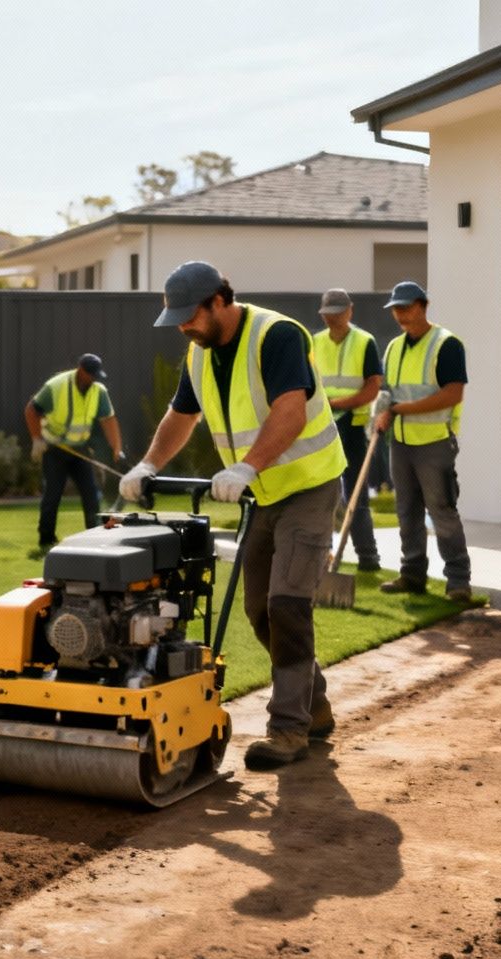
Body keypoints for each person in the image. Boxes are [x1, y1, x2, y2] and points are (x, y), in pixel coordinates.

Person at [120, 262, 347, 769]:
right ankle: (315, 703)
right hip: (261, 493)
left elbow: (290, 408)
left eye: (190, 316)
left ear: (219, 301)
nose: (183, 326)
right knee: (259, 612)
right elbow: (183, 415)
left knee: (287, 604)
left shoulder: (277, 335)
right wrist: (148, 464)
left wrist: (246, 466)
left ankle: (289, 729)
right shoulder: (199, 355)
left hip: (308, 485)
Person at [372, 281, 472, 603]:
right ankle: (412, 575)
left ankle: (458, 581)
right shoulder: (394, 348)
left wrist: (401, 409)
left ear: (423, 306)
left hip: (433, 444)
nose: (400, 314)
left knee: (442, 511)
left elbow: (452, 394)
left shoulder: (446, 344)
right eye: (396, 309)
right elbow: (388, 391)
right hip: (399, 444)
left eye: (406, 307)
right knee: (407, 512)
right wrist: (382, 412)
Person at [310, 288, 384, 572]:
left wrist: (338, 403)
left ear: (350, 311)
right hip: (321, 426)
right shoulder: (314, 342)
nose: (332, 319)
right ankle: (321, 555)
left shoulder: (364, 342)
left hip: (351, 426)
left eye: (338, 314)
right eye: (328, 315)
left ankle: (368, 558)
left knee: (356, 495)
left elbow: (373, 387)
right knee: (320, 494)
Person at [24, 353, 125, 550]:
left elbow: (108, 420)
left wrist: (117, 449)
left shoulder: (99, 391)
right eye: (90, 374)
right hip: (55, 448)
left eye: (96, 375)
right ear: (80, 370)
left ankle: (94, 535)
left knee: (91, 493)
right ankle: (46, 539)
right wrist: (37, 439)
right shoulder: (56, 386)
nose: (93, 379)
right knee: (53, 494)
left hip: (80, 449)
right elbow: (31, 410)